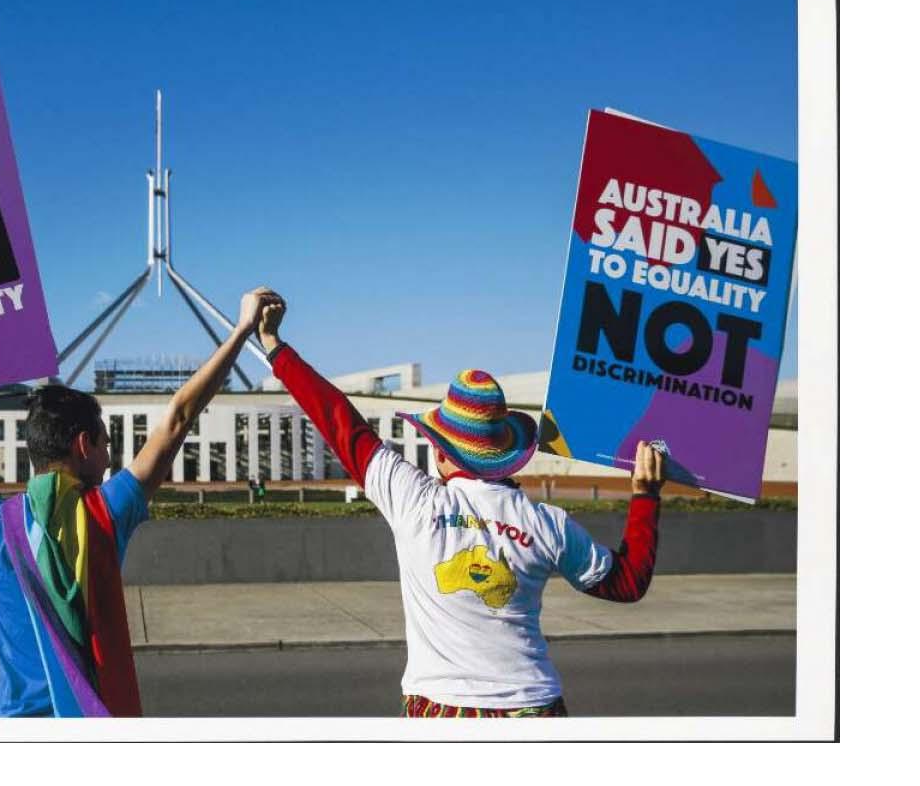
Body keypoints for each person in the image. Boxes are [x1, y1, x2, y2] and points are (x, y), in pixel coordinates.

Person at [0, 287, 280, 717]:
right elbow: (179, 417)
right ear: (82, 445)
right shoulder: (108, 512)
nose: (110, 456)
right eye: (105, 443)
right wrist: (242, 329)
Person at [256, 293, 662, 718]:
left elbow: (338, 419)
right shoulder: (548, 524)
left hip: (442, 710)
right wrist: (646, 496)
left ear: (443, 452)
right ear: (505, 452)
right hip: (534, 708)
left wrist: (274, 344)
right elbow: (626, 583)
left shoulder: (412, 498)